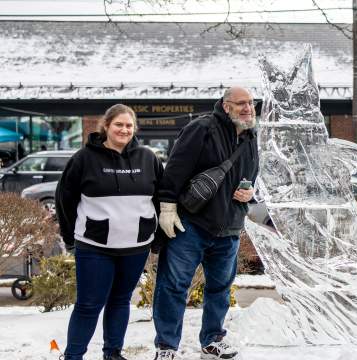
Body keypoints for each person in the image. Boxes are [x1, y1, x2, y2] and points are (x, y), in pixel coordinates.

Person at [152, 87, 259, 360]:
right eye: (241, 104)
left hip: (230, 228)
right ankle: (166, 347)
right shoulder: (202, 128)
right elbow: (174, 169)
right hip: (192, 224)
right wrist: (167, 207)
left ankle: (212, 340)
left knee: (220, 288)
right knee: (173, 286)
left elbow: (251, 173)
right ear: (226, 106)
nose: (247, 108)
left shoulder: (250, 134)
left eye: (251, 103)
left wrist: (250, 192)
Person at [56, 104, 164, 360]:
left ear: (134, 129)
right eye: (118, 124)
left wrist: (157, 237)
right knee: (88, 305)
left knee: (120, 300)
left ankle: (112, 352)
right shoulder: (84, 159)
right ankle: (73, 355)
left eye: (128, 125)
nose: (124, 130)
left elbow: (161, 198)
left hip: (135, 246)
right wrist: (70, 237)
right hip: (94, 246)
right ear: (106, 126)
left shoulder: (148, 158)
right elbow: (65, 200)